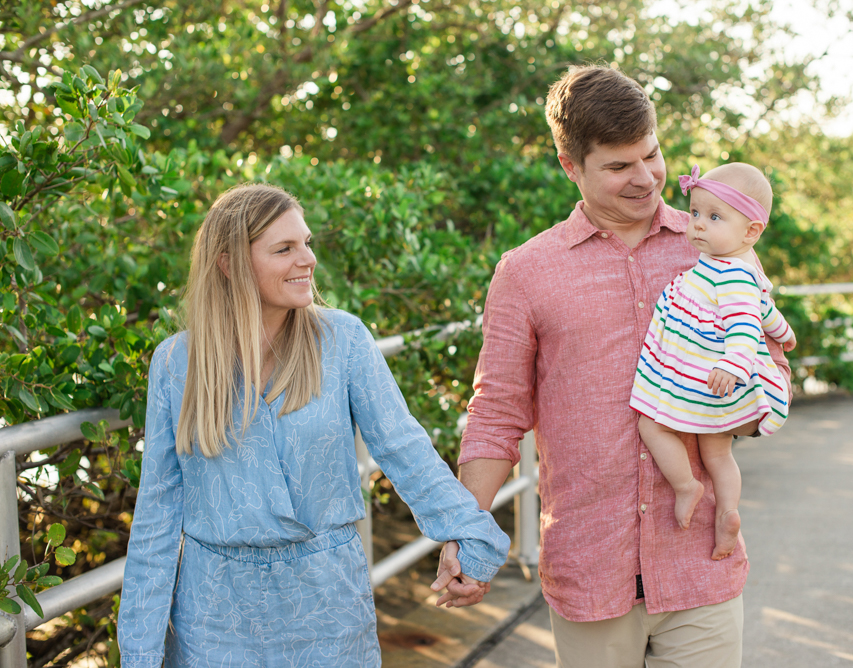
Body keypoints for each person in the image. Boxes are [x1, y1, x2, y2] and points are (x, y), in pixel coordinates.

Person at [436, 65, 792, 666]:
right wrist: (465, 533)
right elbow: (496, 412)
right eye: (619, 166)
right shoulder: (525, 273)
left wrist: (741, 412)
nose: (646, 178)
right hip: (589, 567)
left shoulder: (716, 243)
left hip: (700, 562)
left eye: (651, 155)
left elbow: (773, 357)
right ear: (571, 166)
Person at [117, 183, 510, 668]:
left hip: (328, 605)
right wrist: (138, 653)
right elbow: (157, 514)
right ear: (229, 263)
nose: (307, 259)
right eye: (284, 248)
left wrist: (473, 539)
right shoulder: (177, 363)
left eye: (306, 243)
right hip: (214, 615)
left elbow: (405, 451)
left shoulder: (342, 339)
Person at [631, 162, 796, 563]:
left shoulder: (732, 277)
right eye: (696, 213)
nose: (699, 225)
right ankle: (727, 513)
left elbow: (743, 328)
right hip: (717, 387)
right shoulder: (735, 270)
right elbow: (764, 312)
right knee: (719, 454)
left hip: (711, 382)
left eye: (715, 217)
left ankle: (685, 485)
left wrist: (735, 365)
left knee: (649, 423)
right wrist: (786, 334)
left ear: (751, 231)